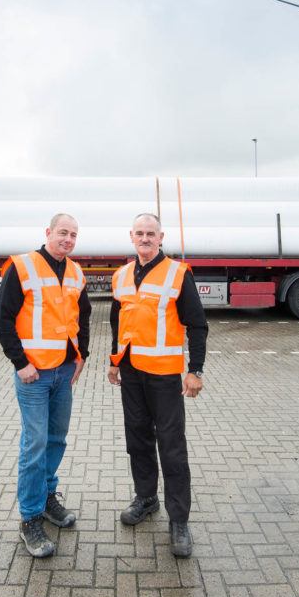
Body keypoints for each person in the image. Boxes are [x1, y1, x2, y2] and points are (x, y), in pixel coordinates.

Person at [107, 213, 208, 557]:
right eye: (140, 233)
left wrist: (195, 370)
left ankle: (179, 519)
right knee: (137, 438)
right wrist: (113, 360)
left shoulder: (178, 273)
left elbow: (197, 324)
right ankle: (146, 497)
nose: (145, 238)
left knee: (172, 446)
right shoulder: (121, 275)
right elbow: (116, 319)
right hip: (132, 371)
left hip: (165, 374)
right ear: (131, 236)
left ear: (161, 237)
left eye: (151, 233)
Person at [0, 213, 90, 558]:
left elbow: (84, 316)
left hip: (64, 373)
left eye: (73, 235)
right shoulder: (22, 266)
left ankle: (48, 498)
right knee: (33, 446)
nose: (67, 239)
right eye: (62, 232)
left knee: (55, 440)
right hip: (34, 375)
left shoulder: (76, 272)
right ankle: (30, 518)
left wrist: (82, 355)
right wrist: (21, 363)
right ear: (48, 232)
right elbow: (1, 319)